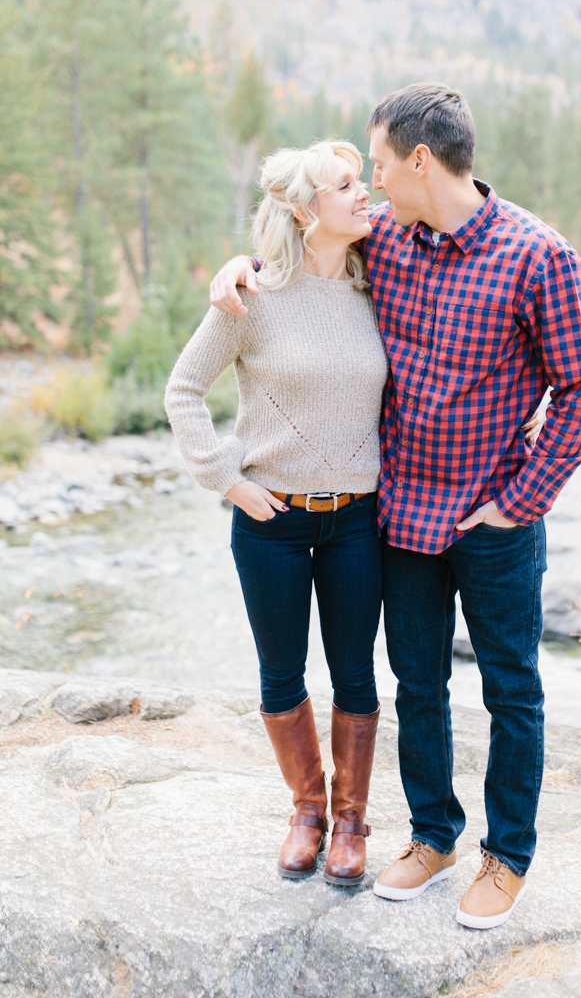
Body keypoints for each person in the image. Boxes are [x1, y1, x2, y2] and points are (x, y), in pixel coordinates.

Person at [209, 83, 581, 929]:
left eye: (382, 164)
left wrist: (516, 503)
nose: (376, 180)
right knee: (416, 686)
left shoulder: (541, 256)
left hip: (496, 525)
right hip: (400, 519)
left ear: (421, 160)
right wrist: (235, 268)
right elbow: (300, 252)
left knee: (512, 692)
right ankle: (435, 837)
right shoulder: (383, 239)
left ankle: (508, 858)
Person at [164, 141, 389, 887]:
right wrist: (225, 478)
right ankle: (307, 813)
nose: (366, 195)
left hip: (358, 520)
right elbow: (184, 390)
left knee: (357, 674)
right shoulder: (250, 297)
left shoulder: (381, 282)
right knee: (279, 675)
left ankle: (353, 823)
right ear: (304, 210)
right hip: (271, 525)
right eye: (347, 186)